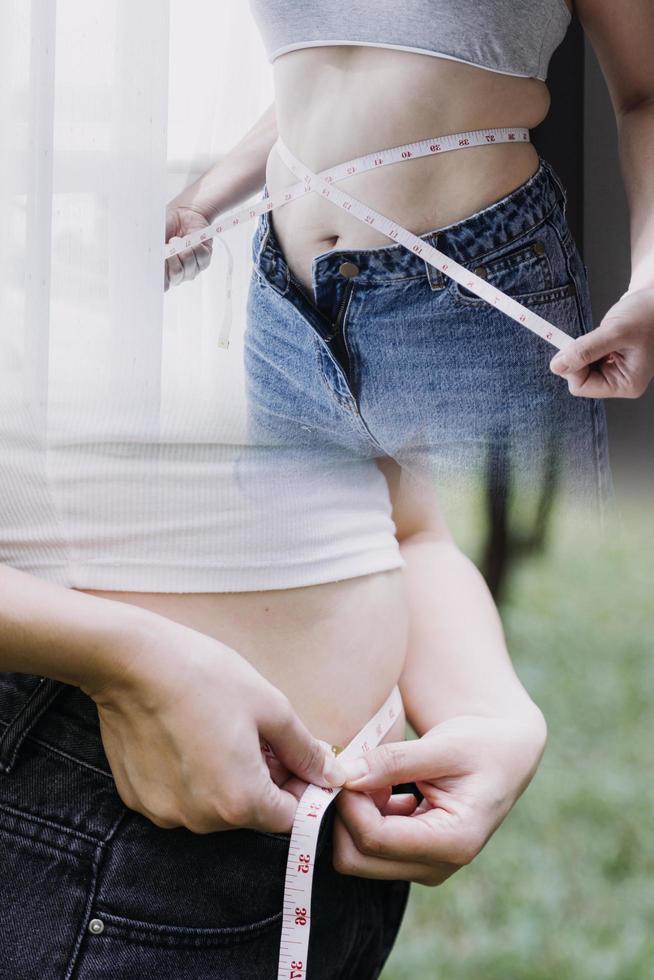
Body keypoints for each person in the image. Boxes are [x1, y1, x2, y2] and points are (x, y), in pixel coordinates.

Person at [167, 0, 654, 510]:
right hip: (288, 319)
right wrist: (199, 200)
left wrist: (646, 286)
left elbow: (644, 96)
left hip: (478, 306)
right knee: (296, 587)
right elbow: (341, 79)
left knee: (520, 588)